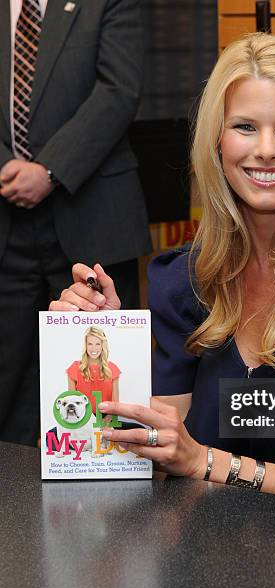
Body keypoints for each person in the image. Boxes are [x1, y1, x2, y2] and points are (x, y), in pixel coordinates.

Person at [50, 33, 275, 511]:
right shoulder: (186, 280)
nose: (266, 150)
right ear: (217, 139)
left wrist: (206, 462)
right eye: (245, 126)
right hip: (211, 552)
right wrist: (104, 333)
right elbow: (167, 445)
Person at [0, 0, 152, 446]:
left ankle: (108, 512)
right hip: (6, 221)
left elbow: (118, 89)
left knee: (104, 391)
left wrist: (49, 170)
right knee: (9, 384)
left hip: (92, 213)